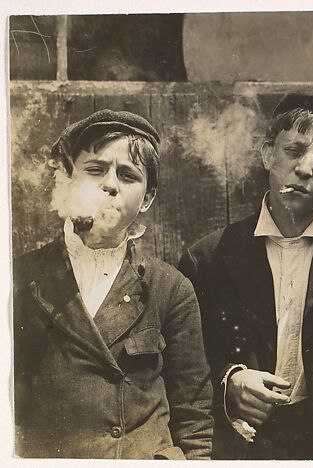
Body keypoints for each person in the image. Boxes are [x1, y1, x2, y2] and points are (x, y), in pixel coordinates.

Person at [178, 89, 313, 459]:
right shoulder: (210, 257)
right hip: (243, 450)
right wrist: (229, 382)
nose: (305, 168)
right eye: (293, 151)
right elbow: (185, 363)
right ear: (268, 155)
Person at [13, 110, 213, 459]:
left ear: (147, 198)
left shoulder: (170, 288)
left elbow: (194, 419)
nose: (110, 184)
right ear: (68, 178)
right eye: (95, 169)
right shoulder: (19, 279)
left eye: (127, 175)